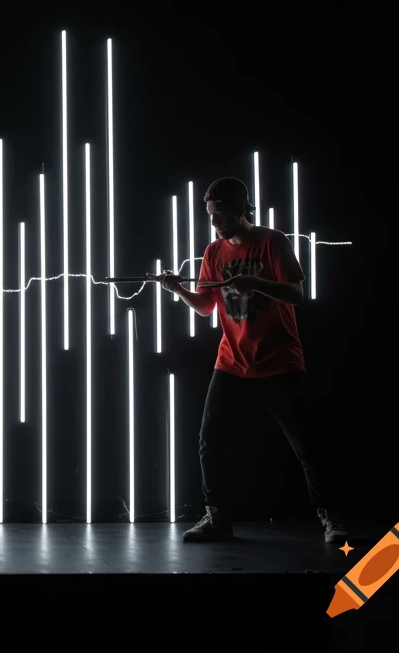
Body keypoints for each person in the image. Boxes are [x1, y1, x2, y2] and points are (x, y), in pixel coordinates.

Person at [148, 177, 348, 544]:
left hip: (279, 360)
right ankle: (218, 517)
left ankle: (331, 519)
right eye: (209, 214)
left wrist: (253, 283)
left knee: (306, 445)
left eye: (219, 213)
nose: (214, 222)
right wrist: (178, 290)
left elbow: (296, 293)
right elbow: (206, 307)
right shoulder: (213, 252)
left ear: (240, 210)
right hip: (232, 361)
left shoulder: (272, 241)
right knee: (210, 441)